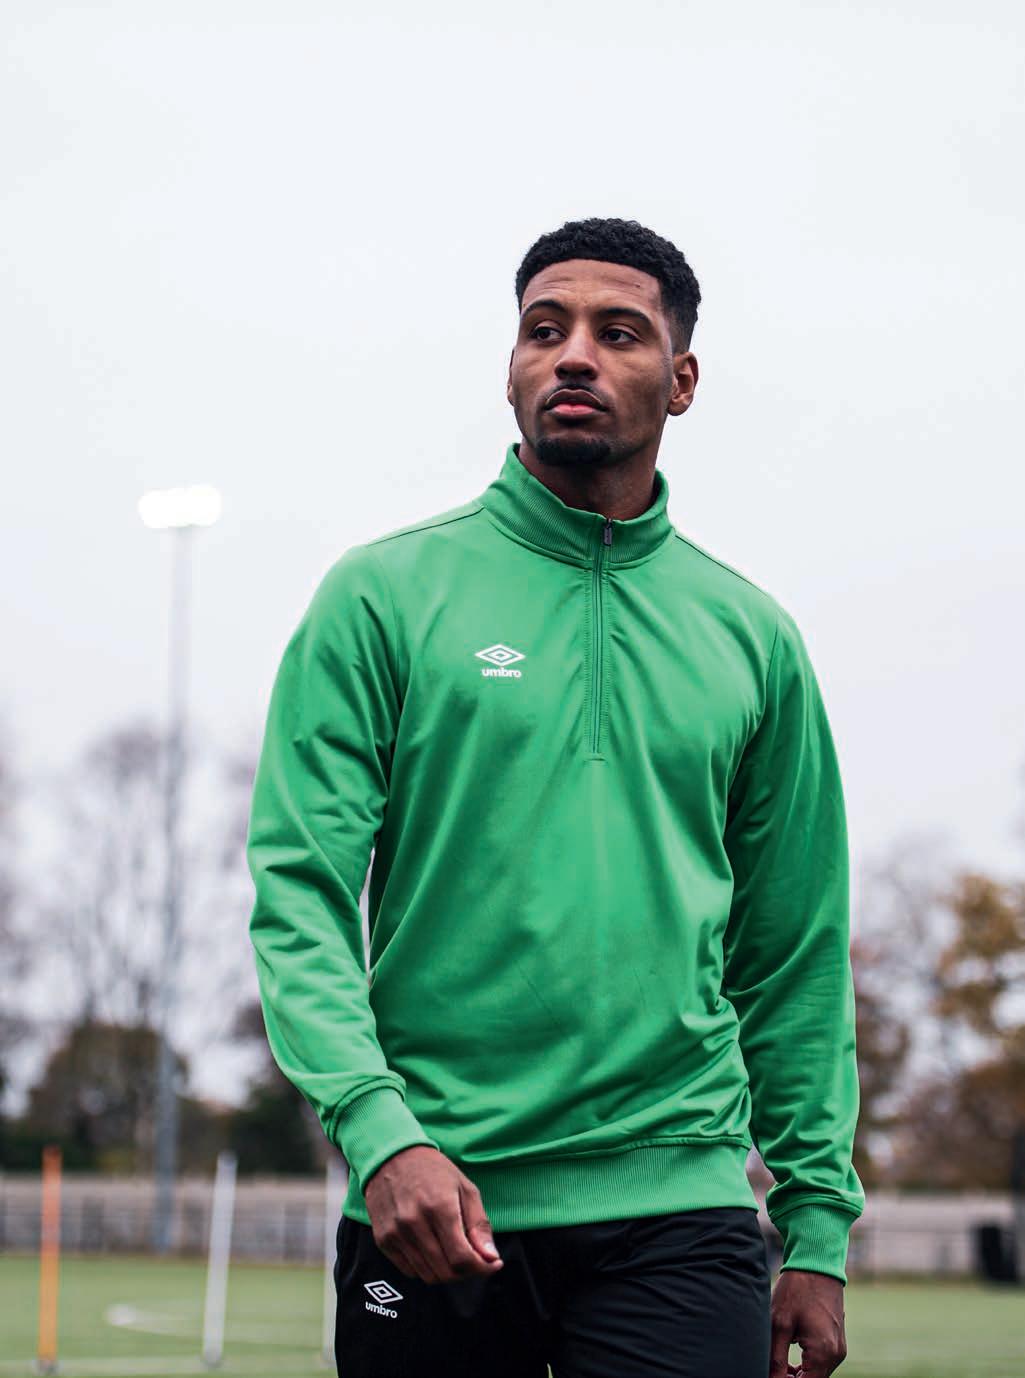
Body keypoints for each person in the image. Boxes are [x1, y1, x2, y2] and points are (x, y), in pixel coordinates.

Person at [246, 216, 864, 1378]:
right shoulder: (381, 596)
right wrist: (380, 1133)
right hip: (428, 1194)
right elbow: (299, 897)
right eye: (543, 329)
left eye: (616, 332)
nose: (571, 354)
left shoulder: (751, 637)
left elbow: (790, 952)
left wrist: (816, 1222)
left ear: (680, 381)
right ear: (511, 367)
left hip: (677, 1205)